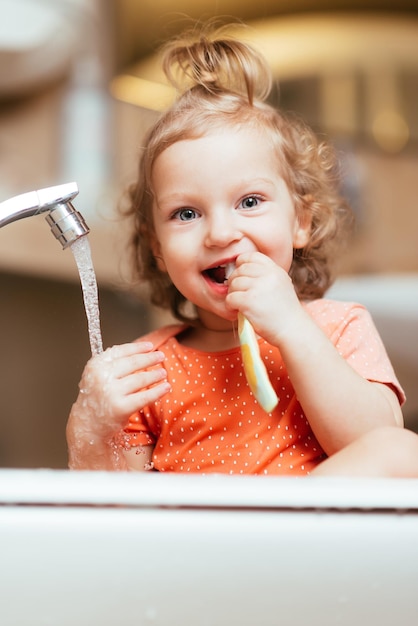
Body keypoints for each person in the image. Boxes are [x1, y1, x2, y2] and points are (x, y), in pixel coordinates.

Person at [66, 26, 418, 476]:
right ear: (157, 247)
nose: (220, 233)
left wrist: (293, 328)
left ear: (300, 222)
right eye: (187, 214)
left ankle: (273, 540)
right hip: (200, 542)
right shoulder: (149, 366)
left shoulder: (338, 327)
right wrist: (91, 428)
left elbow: (375, 439)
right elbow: (113, 511)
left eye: (249, 203)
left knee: (401, 450)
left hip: (303, 537)